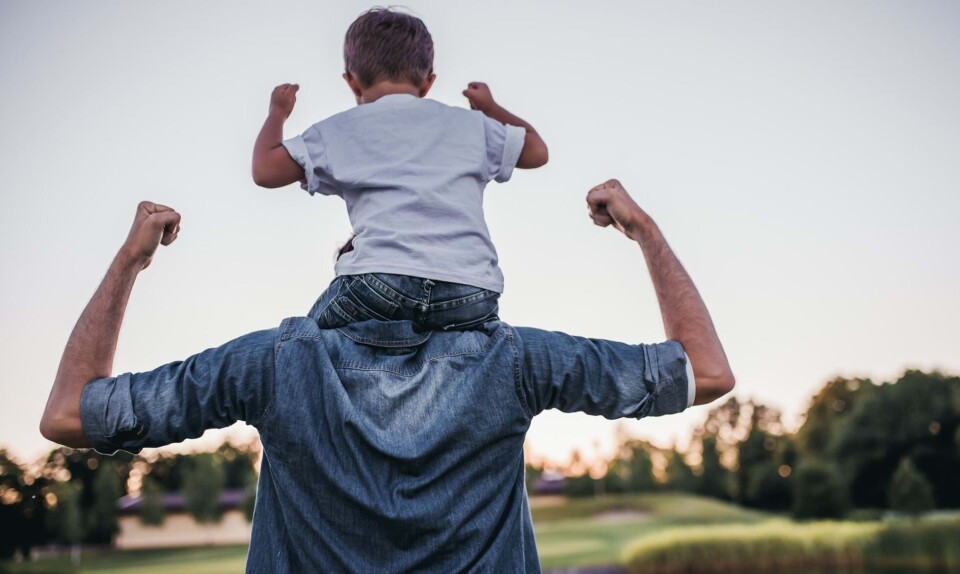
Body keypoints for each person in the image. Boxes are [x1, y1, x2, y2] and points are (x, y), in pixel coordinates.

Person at [39, 180, 735, 572]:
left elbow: (70, 414)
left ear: (348, 264)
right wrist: (644, 230)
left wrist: (130, 261)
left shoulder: (273, 364)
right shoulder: (515, 360)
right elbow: (705, 371)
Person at [251, 8, 549, 333]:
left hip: (381, 285)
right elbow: (537, 151)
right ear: (428, 82)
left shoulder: (341, 130)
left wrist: (277, 113)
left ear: (351, 82)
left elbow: (265, 170)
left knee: (304, 342)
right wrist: (490, 108)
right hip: (472, 292)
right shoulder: (471, 126)